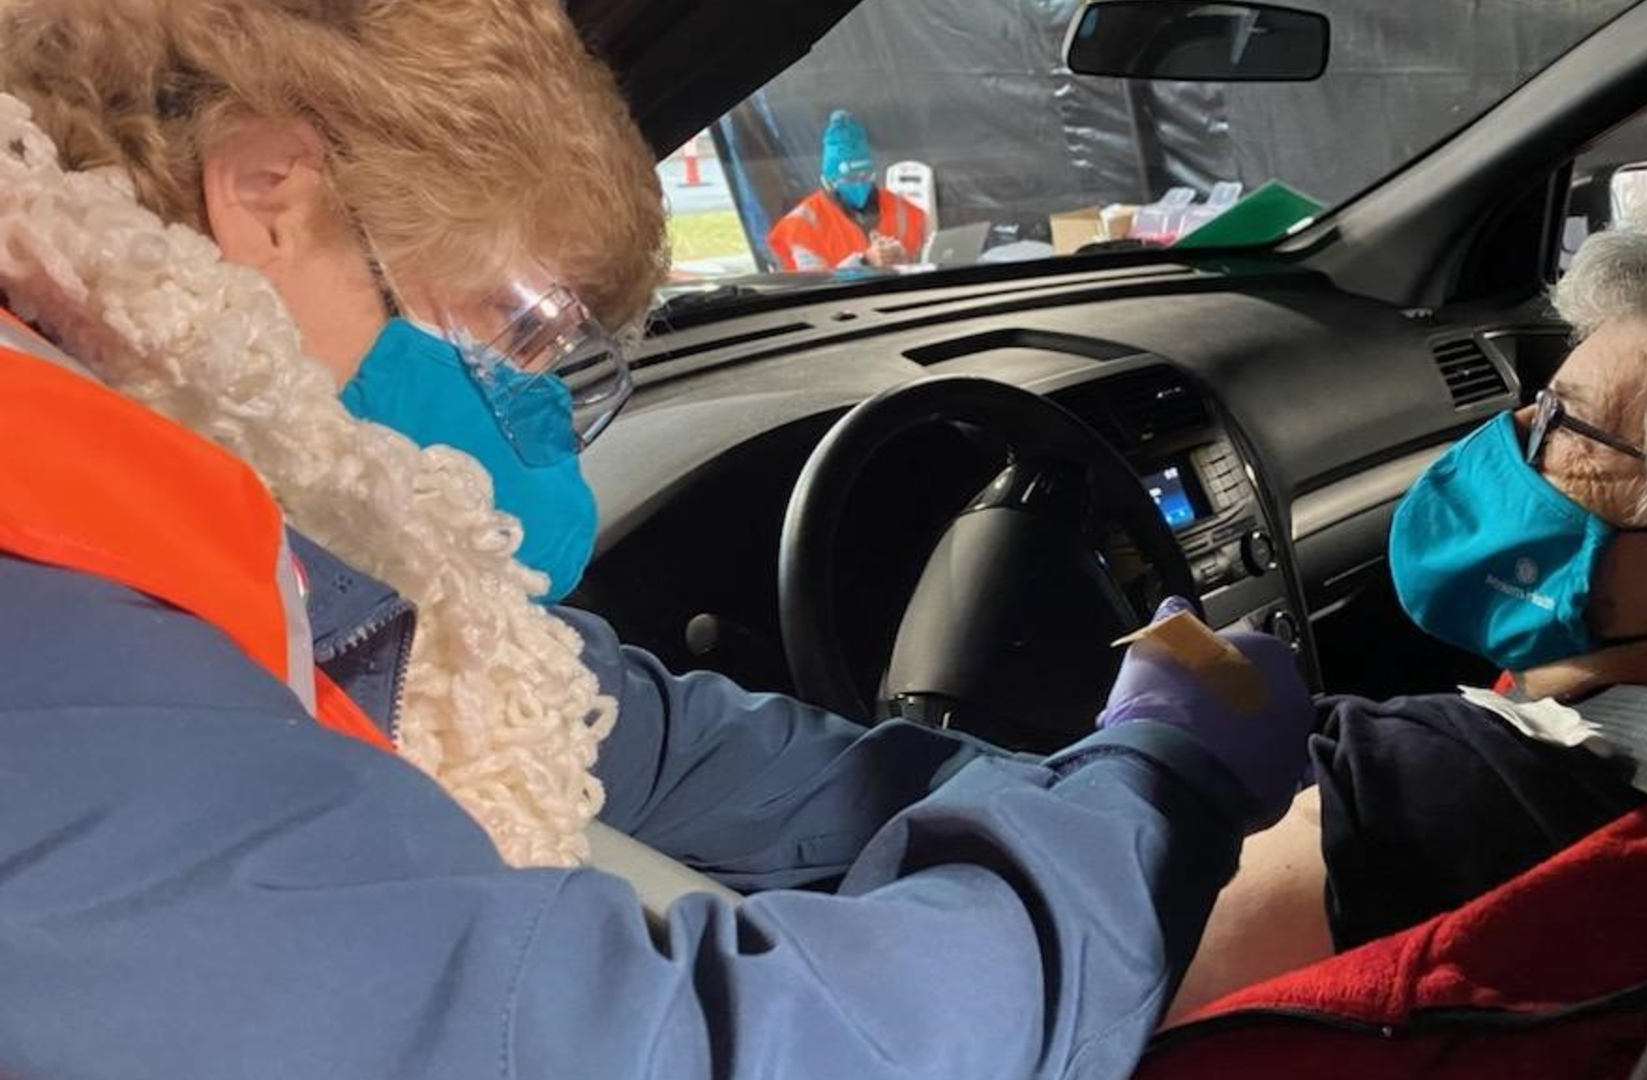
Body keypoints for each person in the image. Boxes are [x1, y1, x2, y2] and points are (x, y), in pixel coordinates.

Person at [0, 2, 1314, 1078]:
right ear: (269, 192)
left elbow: (649, 738)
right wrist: (1157, 802)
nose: (528, 399)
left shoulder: (303, 540)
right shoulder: (49, 620)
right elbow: (682, 1050)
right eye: (510, 322)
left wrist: (1084, 782)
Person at [1141, 155, 1647, 1078]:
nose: (1507, 434)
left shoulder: (1424, 795)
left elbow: (1022, 991)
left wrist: (1137, 760)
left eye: (1563, 425)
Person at [766, 109, 929, 271]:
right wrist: (864, 262)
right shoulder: (801, 227)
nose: (860, 184)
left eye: (866, 175)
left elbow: (927, 261)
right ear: (829, 181)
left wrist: (904, 260)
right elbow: (817, 287)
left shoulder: (903, 210)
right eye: (850, 178)